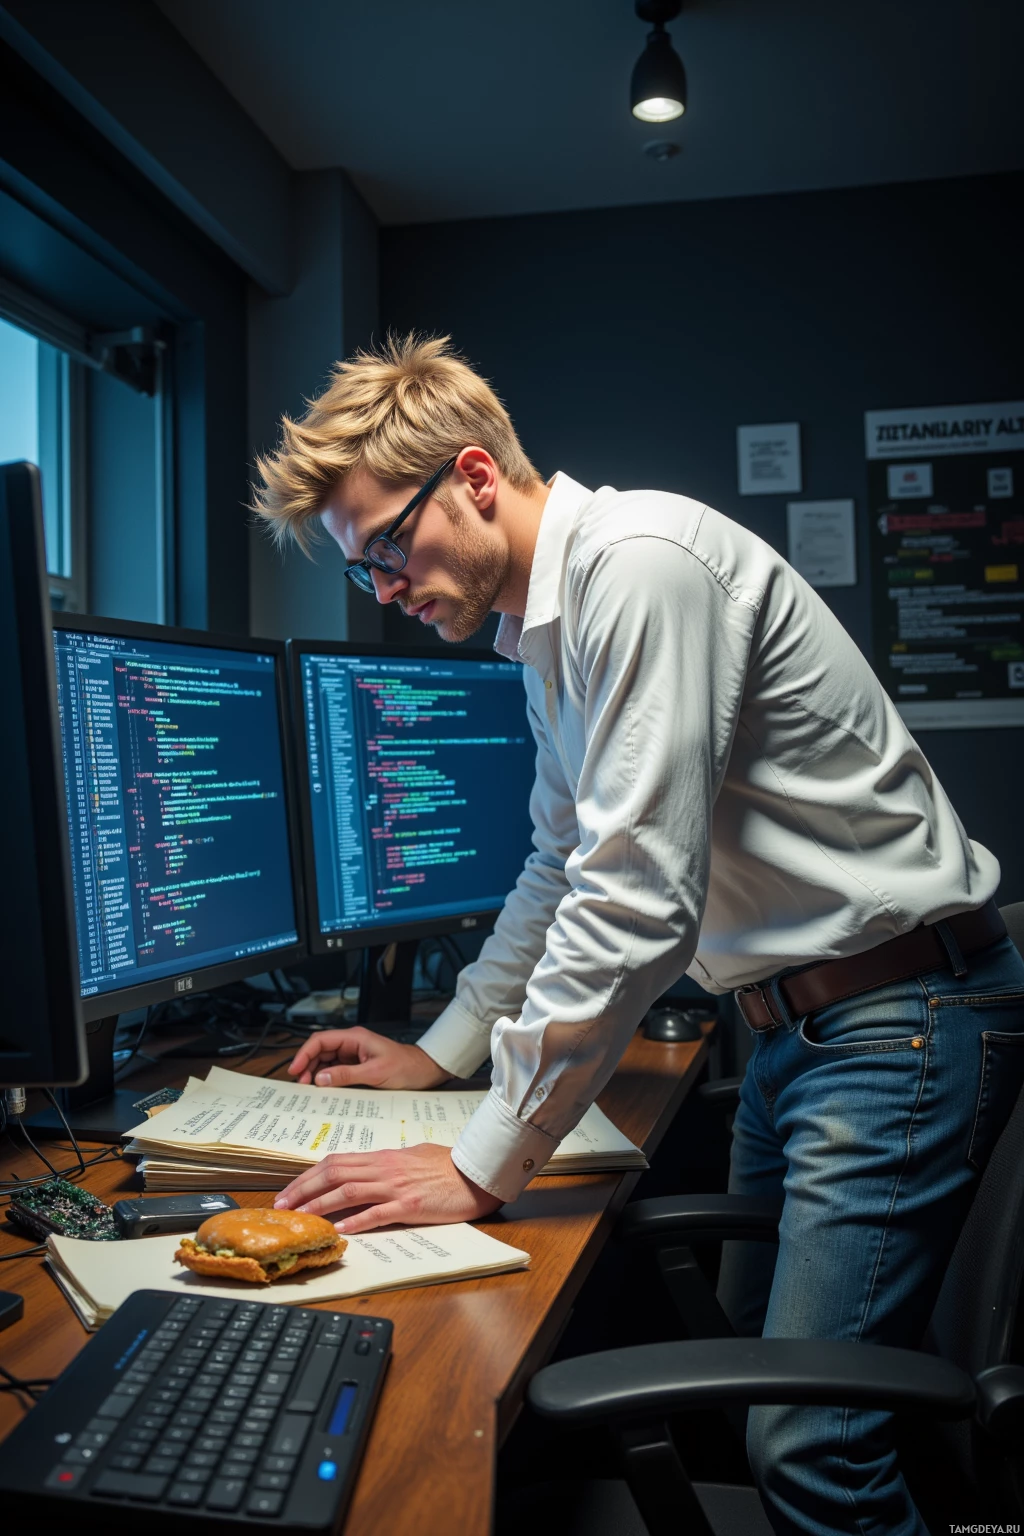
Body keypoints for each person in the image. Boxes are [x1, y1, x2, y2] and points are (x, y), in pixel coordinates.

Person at [253, 334, 1024, 1536]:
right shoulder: (543, 630)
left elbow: (632, 896)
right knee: (769, 1409)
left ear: (471, 475)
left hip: (895, 1021)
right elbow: (560, 867)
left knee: (811, 1442)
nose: (388, 589)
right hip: (796, 1031)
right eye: (366, 573)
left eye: (388, 547)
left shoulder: (640, 570)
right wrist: (447, 1053)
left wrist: (475, 1163)